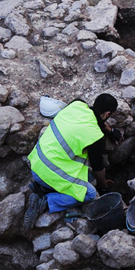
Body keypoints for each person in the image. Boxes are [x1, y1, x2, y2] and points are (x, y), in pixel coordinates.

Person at [23, 93, 123, 231]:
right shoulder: (96, 137)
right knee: (89, 193)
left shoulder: (77, 104)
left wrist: (110, 131)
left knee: (85, 176)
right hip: (47, 172)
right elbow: (98, 169)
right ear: (107, 114)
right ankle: (45, 201)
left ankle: (43, 187)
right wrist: (104, 188)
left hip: (37, 162)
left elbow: (96, 119)